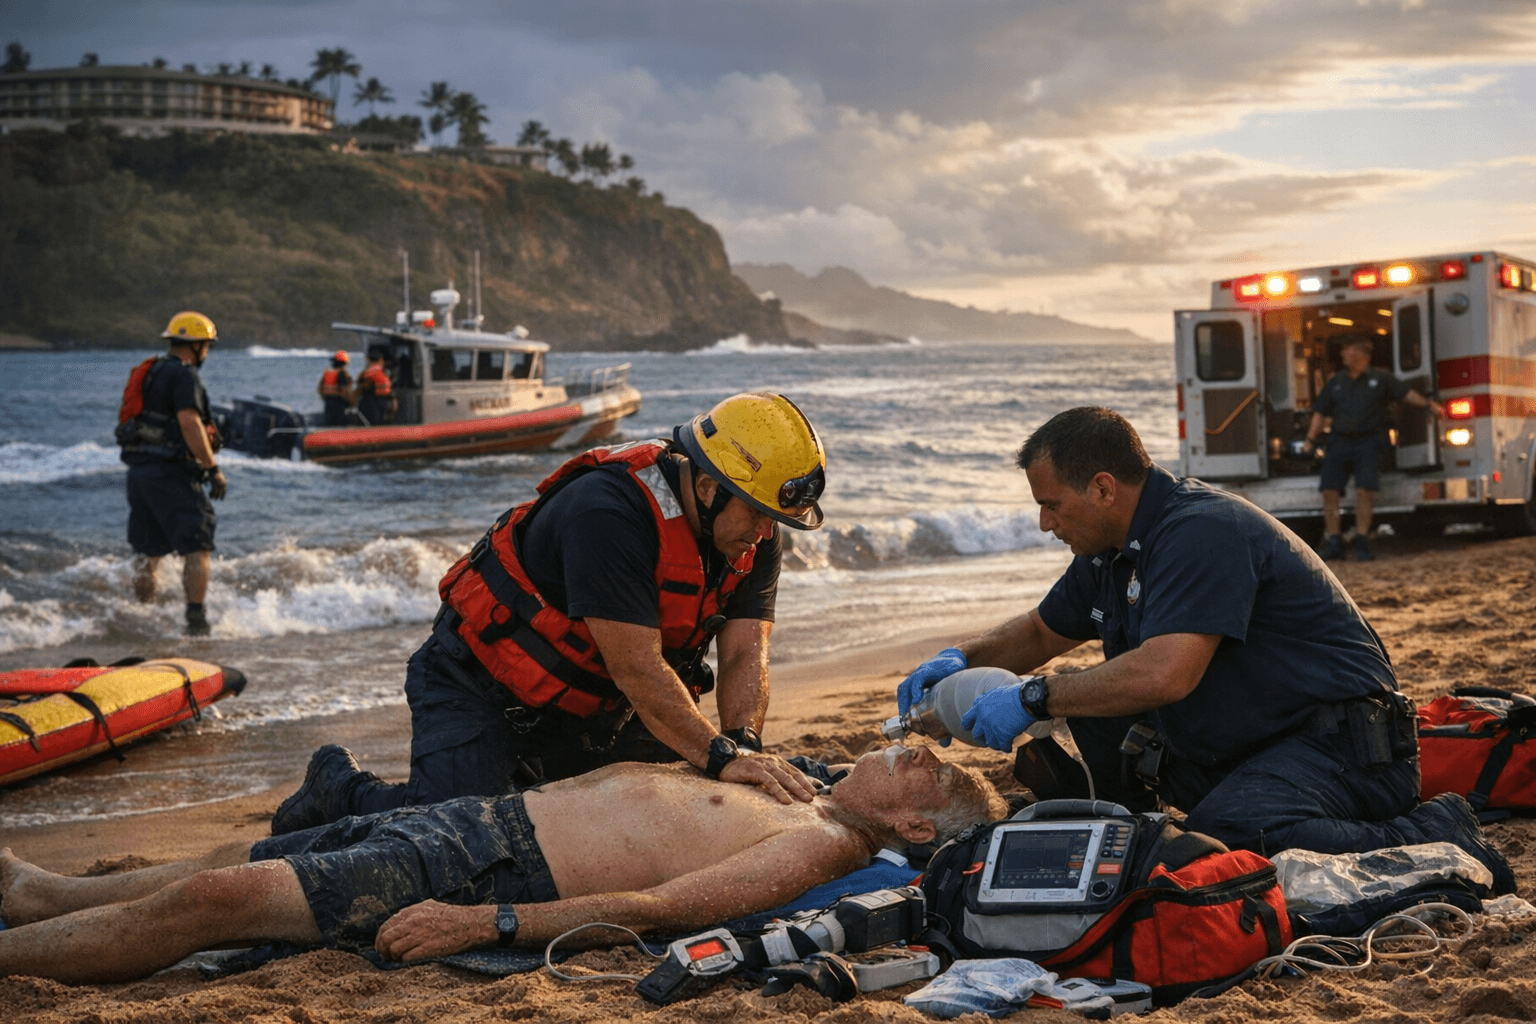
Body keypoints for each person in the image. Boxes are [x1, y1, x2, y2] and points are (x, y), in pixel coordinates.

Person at [895, 407, 1514, 893]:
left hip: (1342, 751)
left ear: (1104, 488)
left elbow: (1167, 675)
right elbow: (1038, 632)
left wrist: (1033, 696)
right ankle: (1135, 837)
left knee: (1228, 835)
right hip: (1252, 744)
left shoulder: (1199, 531)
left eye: (1051, 505)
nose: (1044, 524)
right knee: (1091, 737)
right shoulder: (1109, 550)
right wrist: (957, 660)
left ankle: (1435, 829)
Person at [272, 392, 832, 835]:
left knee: (671, 814)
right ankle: (338, 787)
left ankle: (534, 777)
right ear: (708, 486)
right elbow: (637, 667)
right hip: (481, 686)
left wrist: (742, 748)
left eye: (775, 519)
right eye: (759, 515)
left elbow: (743, 653)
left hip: (597, 709)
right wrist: (717, 757)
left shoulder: (751, 533)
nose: (767, 532)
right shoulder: (610, 514)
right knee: (450, 835)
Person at [0, 745, 1005, 984]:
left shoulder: (824, 843)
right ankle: (42, 893)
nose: (918, 749)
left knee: (222, 897)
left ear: (915, 833)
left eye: (933, 770)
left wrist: (483, 925)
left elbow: (660, 907)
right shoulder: (799, 786)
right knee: (245, 854)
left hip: (497, 869)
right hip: (484, 818)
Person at [116, 311, 229, 637]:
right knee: (198, 545)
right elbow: (189, 421)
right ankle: (197, 622)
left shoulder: (150, 372)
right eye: (206, 345)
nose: (207, 351)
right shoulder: (184, 376)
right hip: (171, 474)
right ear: (196, 346)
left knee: (147, 550)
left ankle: (142, 618)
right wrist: (213, 469)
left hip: (139, 474)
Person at [1302, 335, 1443, 561]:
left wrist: (1428, 404)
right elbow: (1321, 411)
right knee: (1329, 490)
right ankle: (1335, 540)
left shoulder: (1381, 378)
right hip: (1339, 441)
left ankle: (1362, 539)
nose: (1343, 356)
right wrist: (1310, 438)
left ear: (1361, 355)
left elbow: (1406, 394)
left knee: (1365, 491)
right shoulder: (1336, 381)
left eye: (1348, 352)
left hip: (1368, 441)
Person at [356, 347, 395, 426]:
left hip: (371, 403)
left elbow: (361, 388)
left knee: (371, 425)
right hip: (383, 402)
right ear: (381, 360)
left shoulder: (367, 372)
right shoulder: (383, 373)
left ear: (368, 359)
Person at [317, 350, 355, 426]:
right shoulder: (342, 374)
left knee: (330, 426)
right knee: (341, 427)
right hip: (340, 406)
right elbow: (346, 391)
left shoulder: (327, 374)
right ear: (345, 363)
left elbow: (320, 389)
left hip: (328, 405)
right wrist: (353, 403)